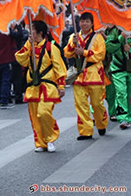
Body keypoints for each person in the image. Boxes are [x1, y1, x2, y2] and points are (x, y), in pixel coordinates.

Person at [15, 20, 66, 152]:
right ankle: (40, 142)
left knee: (43, 113)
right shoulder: (29, 47)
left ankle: (51, 138)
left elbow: (59, 67)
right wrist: (28, 44)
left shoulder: (51, 47)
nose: (29, 33)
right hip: (32, 87)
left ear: (40, 32)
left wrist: (61, 86)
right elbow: (21, 59)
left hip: (47, 87)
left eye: (32, 30)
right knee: (34, 117)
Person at [63, 12, 109, 140]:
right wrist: (73, 44)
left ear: (92, 23)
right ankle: (85, 131)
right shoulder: (73, 36)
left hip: (94, 74)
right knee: (80, 104)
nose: (84, 24)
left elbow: (101, 55)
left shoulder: (97, 37)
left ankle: (101, 124)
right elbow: (67, 53)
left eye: (87, 21)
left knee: (97, 104)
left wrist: (83, 52)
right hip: (79, 76)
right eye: (82, 21)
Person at [104, 29, 131, 129]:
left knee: (129, 94)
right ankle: (123, 118)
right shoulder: (116, 31)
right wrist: (121, 38)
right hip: (118, 68)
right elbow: (109, 47)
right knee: (121, 92)